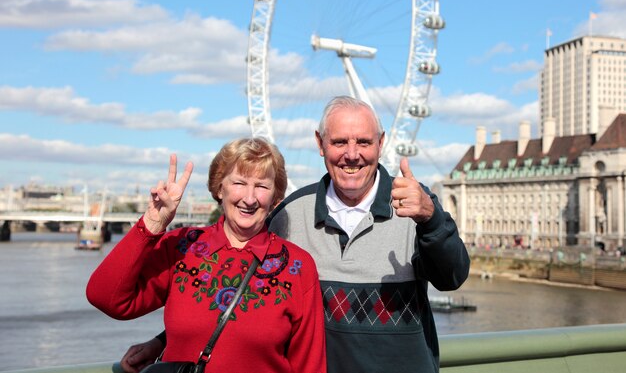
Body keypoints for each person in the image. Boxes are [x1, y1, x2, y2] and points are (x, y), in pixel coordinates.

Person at [119, 96, 470, 373]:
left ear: (381, 143)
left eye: (364, 142)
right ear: (320, 144)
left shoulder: (415, 205)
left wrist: (432, 219)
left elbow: (452, 277)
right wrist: (164, 342)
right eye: (339, 142)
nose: (352, 154)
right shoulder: (290, 214)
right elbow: (244, 298)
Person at [86, 138, 326, 373]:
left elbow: (310, 365)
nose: (250, 198)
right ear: (219, 188)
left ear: (276, 197)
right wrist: (152, 224)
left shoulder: (297, 266)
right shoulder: (182, 247)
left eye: (262, 186)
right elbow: (106, 297)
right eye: (239, 183)